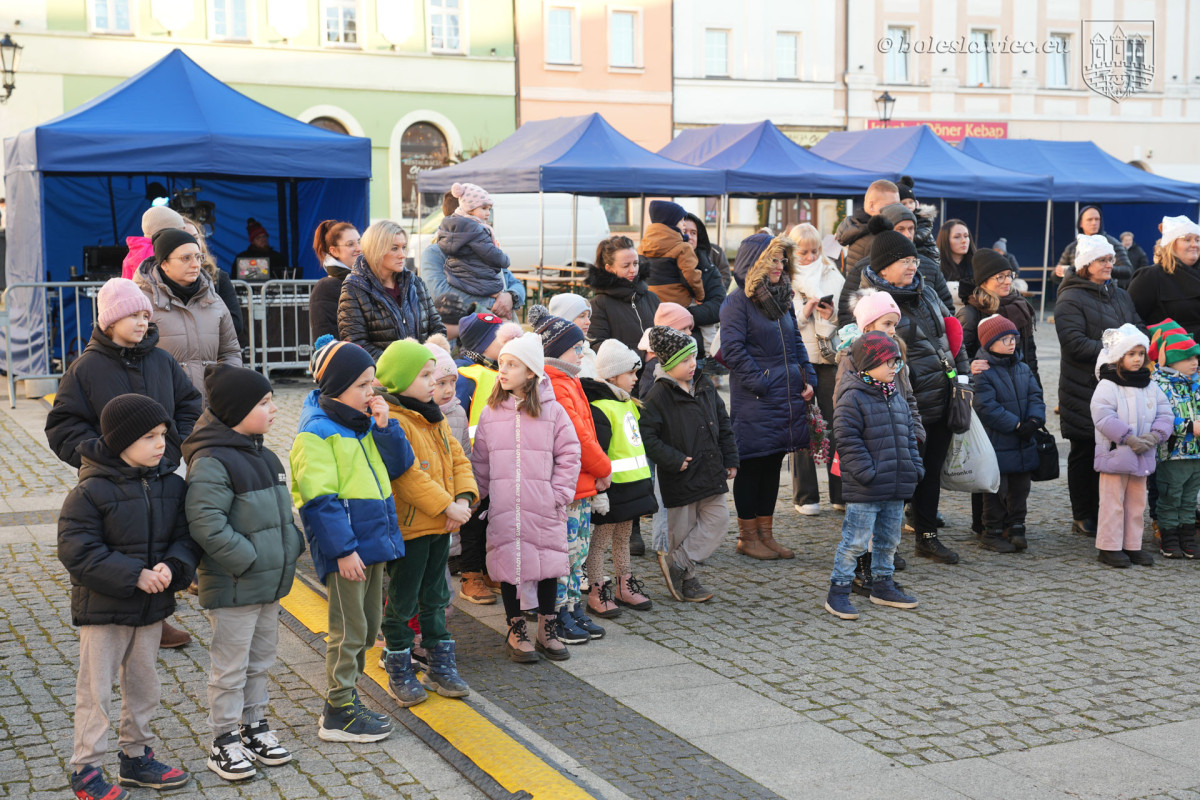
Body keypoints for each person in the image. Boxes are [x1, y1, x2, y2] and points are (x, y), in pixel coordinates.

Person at [59, 395, 197, 800]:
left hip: (151, 610)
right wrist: (133, 575)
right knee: (96, 691)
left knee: (144, 685)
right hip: (104, 610)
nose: (161, 444)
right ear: (121, 441)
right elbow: (76, 551)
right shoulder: (90, 491)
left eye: (163, 435)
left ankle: (135, 757)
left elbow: (186, 538)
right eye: (150, 437)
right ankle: (85, 768)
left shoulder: (172, 485)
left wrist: (173, 567)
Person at [290, 338, 415, 743]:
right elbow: (317, 499)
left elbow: (399, 466)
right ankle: (338, 708)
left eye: (373, 384)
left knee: (367, 627)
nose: (371, 393)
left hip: (372, 542)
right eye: (363, 385)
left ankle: (347, 700)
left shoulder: (360, 423)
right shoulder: (318, 431)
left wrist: (385, 426)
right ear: (338, 387)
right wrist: (342, 550)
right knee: (348, 629)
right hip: (350, 551)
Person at [182, 365, 304, 781]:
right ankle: (223, 740)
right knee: (230, 668)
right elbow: (205, 522)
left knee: (260, 662)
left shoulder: (265, 456)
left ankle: (254, 727)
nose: (273, 410)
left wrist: (292, 548)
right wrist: (249, 559)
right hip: (237, 584)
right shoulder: (212, 461)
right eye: (264, 403)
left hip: (268, 582)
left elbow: (283, 518)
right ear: (236, 411)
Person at [374, 340, 477, 706]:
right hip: (413, 527)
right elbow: (408, 477)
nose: (434, 382)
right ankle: (398, 662)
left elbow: (459, 459)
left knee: (436, 596)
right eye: (425, 375)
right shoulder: (392, 421)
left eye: (434, 374)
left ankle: (439, 663)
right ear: (400, 380)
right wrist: (448, 507)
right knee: (402, 600)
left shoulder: (433, 415)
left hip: (441, 524)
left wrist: (463, 498)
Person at [856, 231, 967, 563]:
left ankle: (927, 537)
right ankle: (882, 544)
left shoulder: (928, 291)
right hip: (904, 402)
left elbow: (951, 334)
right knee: (900, 477)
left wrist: (963, 376)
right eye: (904, 261)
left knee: (930, 473)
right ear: (884, 266)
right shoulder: (872, 304)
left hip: (942, 397)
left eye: (914, 260)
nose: (912, 266)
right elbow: (870, 356)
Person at [472, 333, 581, 663]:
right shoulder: (491, 413)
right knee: (508, 566)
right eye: (501, 363)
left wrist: (558, 494)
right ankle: (516, 627)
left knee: (548, 564)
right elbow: (480, 460)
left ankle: (546, 627)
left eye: (511, 365)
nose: (502, 370)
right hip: (505, 507)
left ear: (531, 372)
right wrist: (478, 498)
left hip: (543, 506)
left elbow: (570, 454)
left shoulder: (553, 412)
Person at [721, 233, 816, 561]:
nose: (779, 266)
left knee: (773, 463)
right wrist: (762, 383)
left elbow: (797, 342)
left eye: (781, 259)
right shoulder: (737, 302)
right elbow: (731, 350)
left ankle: (766, 534)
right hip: (756, 399)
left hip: (785, 396)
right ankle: (747, 538)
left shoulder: (783, 298)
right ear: (755, 263)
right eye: (772, 260)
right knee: (752, 464)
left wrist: (808, 375)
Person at [47, 278, 202, 473]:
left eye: (146, 316)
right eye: (133, 315)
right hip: (109, 481)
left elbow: (189, 404)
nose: (142, 323)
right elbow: (64, 426)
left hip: (163, 473)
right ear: (111, 321)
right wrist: (103, 456)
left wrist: (174, 444)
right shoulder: (84, 368)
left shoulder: (163, 360)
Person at [528, 305, 614, 643]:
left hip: (582, 483)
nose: (582, 352)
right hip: (569, 485)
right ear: (556, 349)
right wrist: (603, 468)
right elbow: (579, 437)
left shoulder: (569, 380)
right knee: (564, 551)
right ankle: (559, 611)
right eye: (576, 347)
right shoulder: (556, 384)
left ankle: (571, 606)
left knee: (577, 549)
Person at [823, 333, 922, 621]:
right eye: (889, 362)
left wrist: (915, 468)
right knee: (855, 541)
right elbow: (846, 439)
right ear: (869, 364)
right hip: (867, 487)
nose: (895, 367)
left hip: (897, 483)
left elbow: (908, 436)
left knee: (889, 540)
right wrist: (868, 473)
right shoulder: (851, 397)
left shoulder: (896, 395)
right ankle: (838, 590)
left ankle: (883, 585)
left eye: (897, 361)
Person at [1054, 234, 1145, 537]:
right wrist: (1120, 353)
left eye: (1110, 259)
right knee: (1083, 449)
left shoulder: (1119, 294)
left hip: (1121, 387)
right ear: (1086, 265)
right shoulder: (1070, 297)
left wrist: (1137, 347)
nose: (1110, 264)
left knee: (1112, 448)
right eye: (1103, 260)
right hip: (1083, 387)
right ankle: (1083, 514)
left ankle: (1107, 509)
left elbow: (1138, 326)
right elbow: (1074, 343)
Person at [640, 326, 738, 602]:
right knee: (680, 531)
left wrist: (730, 458)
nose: (693, 364)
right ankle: (688, 579)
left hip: (709, 471)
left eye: (694, 357)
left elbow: (724, 424)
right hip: (680, 476)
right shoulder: (657, 395)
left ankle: (678, 562)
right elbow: (647, 437)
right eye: (685, 360)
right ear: (669, 364)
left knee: (718, 520)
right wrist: (673, 460)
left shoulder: (705, 385)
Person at [581, 339, 658, 617]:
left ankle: (624, 584)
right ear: (613, 375)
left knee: (623, 537)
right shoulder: (601, 407)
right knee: (600, 541)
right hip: (613, 488)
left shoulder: (628, 404)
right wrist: (598, 490)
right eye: (631, 374)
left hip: (634, 486)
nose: (636, 379)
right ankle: (596, 588)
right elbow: (598, 450)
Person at [452, 313, 524, 605]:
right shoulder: (464, 376)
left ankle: (486, 567)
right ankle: (470, 573)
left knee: (492, 517)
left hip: (497, 460)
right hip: (471, 461)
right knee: (472, 519)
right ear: (482, 344)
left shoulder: (497, 371)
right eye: (499, 336)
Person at [1091, 324, 1172, 567]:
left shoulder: (1150, 384)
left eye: (1140, 354)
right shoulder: (1108, 384)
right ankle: (1109, 546)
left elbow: (1165, 413)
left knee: (1137, 504)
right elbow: (1103, 417)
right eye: (1131, 354)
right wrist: (1128, 437)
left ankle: (1131, 545)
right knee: (1112, 503)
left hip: (1144, 454)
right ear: (1119, 357)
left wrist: (1156, 436)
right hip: (1117, 454)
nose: (1137, 359)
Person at [134, 229, 242, 400]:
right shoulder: (140, 303)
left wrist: (225, 385)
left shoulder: (215, 301)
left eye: (198, 257)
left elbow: (230, 352)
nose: (195, 264)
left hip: (209, 407)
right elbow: (130, 358)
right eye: (186, 258)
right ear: (164, 264)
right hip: (164, 407)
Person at [970, 315, 1045, 554]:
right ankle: (991, 530)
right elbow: (986, 407)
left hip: (1024, 440)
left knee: (1021, 488)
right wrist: (1015, 425)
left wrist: (1034, 420)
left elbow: (1035, 395)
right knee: (996, 489)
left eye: (1013, 338)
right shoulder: (983, 371)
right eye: (1004, 339)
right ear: (989, 343)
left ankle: (1016, 527)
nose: (1011, 343)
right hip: (998, 441)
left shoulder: (1022, 367)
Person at [788, 222, 844, 515]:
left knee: (837, 424)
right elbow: (786, 322)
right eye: (803, 252)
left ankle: (840, 492)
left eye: (814, 251)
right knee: (803, 425)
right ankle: (806, 495)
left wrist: (830, 314)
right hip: (801, 357)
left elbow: (843, 316)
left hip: (829, 356)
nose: (809, 257)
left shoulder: (831, 272)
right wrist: (805, 311)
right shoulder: (786, 276)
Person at [338, 220, 445, 357]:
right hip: (381, 376)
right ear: (376, 249)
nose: (402, 255)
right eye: (394, 248)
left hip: (422, 372)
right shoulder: (354, 288)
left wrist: (427, 359)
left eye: (403, 247)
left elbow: (437, 327)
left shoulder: (415, 283)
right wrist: (399, 365)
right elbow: (356, 344)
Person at [837, 204, 955, 324]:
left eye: (911, 228)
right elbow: (846, 317)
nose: (908, 234)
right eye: (900, 229)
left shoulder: (930, 267)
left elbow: (947, 311)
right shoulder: (863, 269)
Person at [420, 191, 525, 320]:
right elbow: (440, 294)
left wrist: (510, 297)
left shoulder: (484, 247)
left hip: (500, 328)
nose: (486, 218)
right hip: (462, 333)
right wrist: (493, 303)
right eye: (482, 211)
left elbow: (515, 283)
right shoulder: (434, 253)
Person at [1147, 320, 1200, 558]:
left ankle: (1188, 539)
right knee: (1170, 497)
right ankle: (1169, 538)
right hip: (1173, 454)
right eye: (1188, 358)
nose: (1194, 362)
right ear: (1168, 359)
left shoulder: (1196, 383)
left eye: (1196, 358)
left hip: (1196, 453)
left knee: (1189, 499)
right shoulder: (1158, 385)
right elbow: (1159, 418)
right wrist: (1189, 427)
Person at [958, 248, 1040, 384]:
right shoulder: (971, 314)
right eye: (1000, 276)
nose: (1008, 281)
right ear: (984, 281)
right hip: (989, 391)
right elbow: (959, 356)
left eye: (1009, 275)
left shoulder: (1020, 306)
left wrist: (1036, 389)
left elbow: (1030, 356)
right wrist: (970, 365)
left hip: (1021, 386)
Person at [587, 235, 661, 355]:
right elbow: (597, 347)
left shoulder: (651, 298)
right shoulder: (599, 305)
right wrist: (642, 357)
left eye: (636, 263)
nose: (633, 270)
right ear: (609, 269)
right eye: (626, 266)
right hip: (624, 373)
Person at [1129, 215, 1200, 340]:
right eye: (1187, 240)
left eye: (1198, 240)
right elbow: (1131, 322)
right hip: (1174, 357)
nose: (1194, 245)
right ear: (1171, 244)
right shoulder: (1150, 277)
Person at [436, 182, 511, 297]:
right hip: (480, 281)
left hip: (457, 278)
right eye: (484, 208)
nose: (488, 213)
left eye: (489, 209)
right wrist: (505, 259)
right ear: (469, 209)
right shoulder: (475, 230)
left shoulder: (451, 227)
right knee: (504, 306)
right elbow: (491, 254)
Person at [181, 215, 243, 339]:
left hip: (214, 353)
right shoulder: (161, 280)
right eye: (185, 237)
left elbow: (236, 324)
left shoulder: (218, 277)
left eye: (195, 237)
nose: (192, 241)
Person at [680, 212, 730, 354]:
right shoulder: (664, 266)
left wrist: (686, 316)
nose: (689, 237)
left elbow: (719, 304)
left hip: (701, 350)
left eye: (693, 233)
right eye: (684, 232)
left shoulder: (708, 268)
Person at [640, 200, 705, 307]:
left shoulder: (642, 247)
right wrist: (700, 296)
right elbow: (691, 276)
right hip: (677, 304)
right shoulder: (683, 247)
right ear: (670, 222)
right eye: (680, 220)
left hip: (650, 303)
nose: (684, 223)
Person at [1054, 205, 1134, 288]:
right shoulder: (1072, 247)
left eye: (1097, 219)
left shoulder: (1111, 244)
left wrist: (1104, 267)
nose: (1094, 223)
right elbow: (1055, 276)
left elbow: (1128, 270)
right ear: (1081, 223)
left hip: (1106, 293)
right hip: (1078, 293)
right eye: (1089, 219)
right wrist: (1062, 271)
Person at [310, 220, 362, 341]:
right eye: (350, 244)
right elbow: (326, 338)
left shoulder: (365, 281)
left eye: (359, 242)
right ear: (333, 251)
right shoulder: (325, 288)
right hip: (349, 358)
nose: (358, 248)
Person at [835, 180, 901, 267]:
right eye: (890, 206)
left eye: (898, 206)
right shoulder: (872, 235)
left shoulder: (858, 227)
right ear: (871, 206)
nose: (896, 210)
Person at [121, 205, 186, 280]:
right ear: (165, 232)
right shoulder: (156, 254)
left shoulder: (136, 251)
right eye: (179, 232)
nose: (183, 237)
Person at [548, 292, 598, 378]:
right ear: (566, 320)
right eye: (582, 316)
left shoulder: (589, 352)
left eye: (588, 316)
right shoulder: (563, 356)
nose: (588, 322)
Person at [896, 176, 941, 264]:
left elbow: (919, 237)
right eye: (904, 203)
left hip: (929, 258)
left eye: (911, 202)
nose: (908, 206)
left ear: (916, 203)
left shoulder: (923, 219)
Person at [938, 219, 977, 304]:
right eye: (957, 237)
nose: (964, 241)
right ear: (945, 240)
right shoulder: (936, 266)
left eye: (966, 236)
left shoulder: (979, 265)